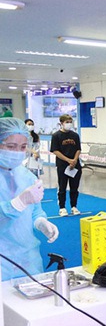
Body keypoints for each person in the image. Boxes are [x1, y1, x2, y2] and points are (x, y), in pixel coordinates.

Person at [0, 118, 59, 280]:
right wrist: (17, 204)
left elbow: (35, 211)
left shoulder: (26, 176)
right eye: (11, 146)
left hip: (27, 257)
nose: (17, 152)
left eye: (23, 147)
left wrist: (41, 222)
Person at [50, 114, 82, 216]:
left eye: (70, 122)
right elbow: (55, 150)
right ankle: (62, 207)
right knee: (62, 187)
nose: (69, 124)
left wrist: (74, 160)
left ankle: (74, 206)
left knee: (74, 187)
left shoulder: (75, 135)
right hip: (62, 165)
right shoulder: (56, 136)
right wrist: (68, 160)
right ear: (61, 123)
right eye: (67, 122)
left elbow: (78, 149)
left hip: (75, 165)